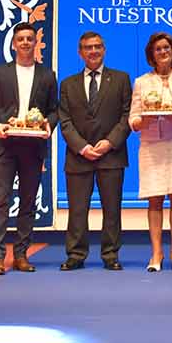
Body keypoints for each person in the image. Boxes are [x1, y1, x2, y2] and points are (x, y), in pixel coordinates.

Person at [0, 22, 59, 274]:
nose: (25, 42)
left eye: (29, 38)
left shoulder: (47, 75)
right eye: (21, 39)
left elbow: (54, 110)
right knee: (0, 201)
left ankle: (22, 254)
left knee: (28, 203)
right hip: (4, 145)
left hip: (33, 147)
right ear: (13, 44)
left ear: (35, 43)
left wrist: (49, 124)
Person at [58, 31, 132, 271]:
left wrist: (110, 142)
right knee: (77, 211)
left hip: (111, 155)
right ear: (80, 53)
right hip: (78, 157)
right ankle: (76, 254)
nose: (93, 51)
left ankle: (110, 255)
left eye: (98, 47)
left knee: (112, 209)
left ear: (104, 50)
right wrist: (82, 147)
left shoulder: (121, 79)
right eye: (88, 48)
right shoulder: (68, 84)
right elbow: (65, 121)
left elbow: (126, 115)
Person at [129, 32, 172, 272]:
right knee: (154, 200)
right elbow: (134, 115)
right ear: (151, 54)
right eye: (158, 49)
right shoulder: (141, 82)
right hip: (151, 147)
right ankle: (156, 253)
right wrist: (137, 122)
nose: (163, 52)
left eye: (166, 47)